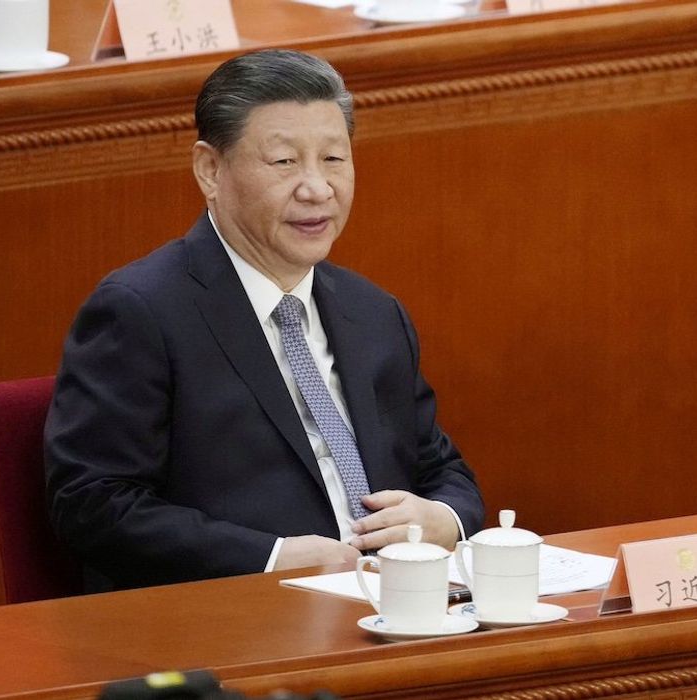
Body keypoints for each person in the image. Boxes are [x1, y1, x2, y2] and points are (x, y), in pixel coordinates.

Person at [44, 49, 483, 591]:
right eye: (284, 162)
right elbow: (93, 504)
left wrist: (446, 518)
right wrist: (270, 557)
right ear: (210, 169)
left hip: (394, 600)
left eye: (333, 159)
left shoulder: (372, 311)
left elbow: (440, 468)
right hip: (231, 617)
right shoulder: (141, 310)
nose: (317, 188)